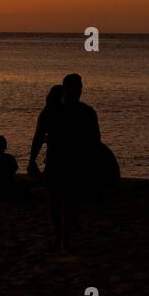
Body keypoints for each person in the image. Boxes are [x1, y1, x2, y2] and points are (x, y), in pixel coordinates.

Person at [30, 76, 101, 251]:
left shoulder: (86, 112)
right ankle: (60, 236)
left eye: (80, 87)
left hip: (76, 162)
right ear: (66, 89)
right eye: (76, 88)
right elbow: (38, 136)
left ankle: (64, 238)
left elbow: (95, 139)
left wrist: (92, 162)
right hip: (57, 160)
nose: (79, 91)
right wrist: (32, 159)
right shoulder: (51, 111)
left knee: (69, 201)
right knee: (56, 201)